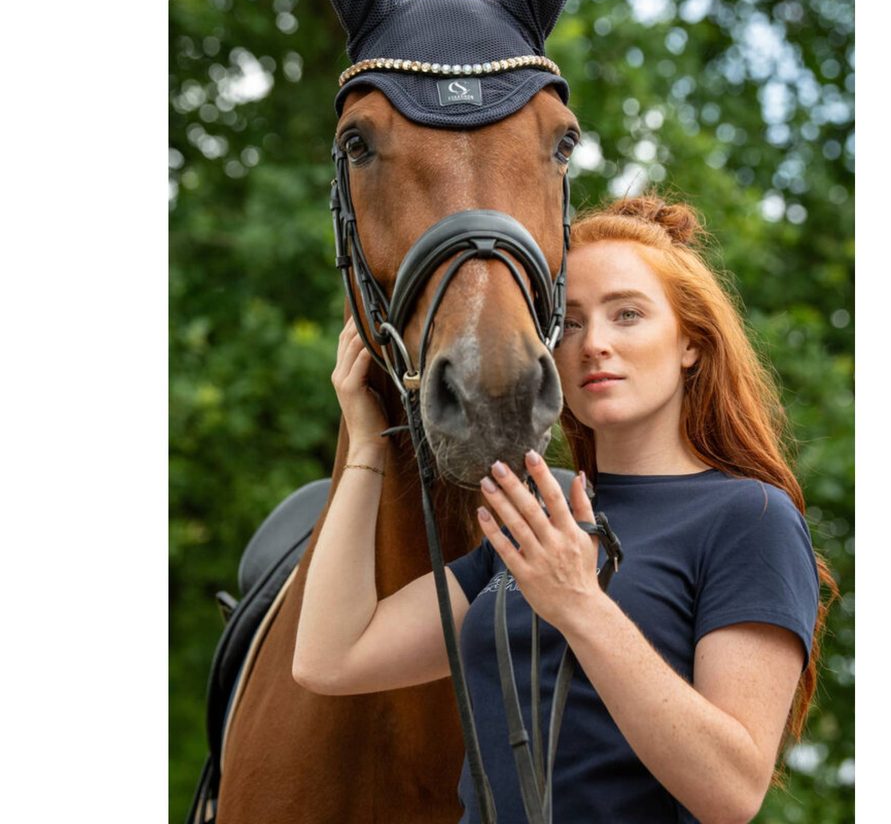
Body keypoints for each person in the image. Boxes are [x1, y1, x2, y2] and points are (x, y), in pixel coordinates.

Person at [294, 193, 836, 824]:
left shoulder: (750, 517)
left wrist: (578, 602)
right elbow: (331, 658)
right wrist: (365, 446)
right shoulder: (542, 514)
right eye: (570, 324)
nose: (594, 344)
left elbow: (732, 792)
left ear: (690, 342)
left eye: (627, 314)